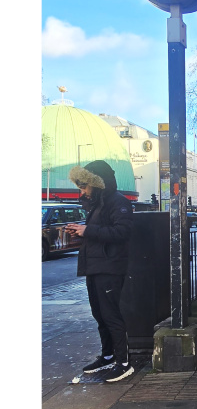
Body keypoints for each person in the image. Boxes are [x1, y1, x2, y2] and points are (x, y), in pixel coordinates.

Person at [66, 160, 134, 382]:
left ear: (97, 183)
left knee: (111, 315)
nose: (82, 191)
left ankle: (123, 362)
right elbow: (100, 232)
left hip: (110, 267)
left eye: (85, 187)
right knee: (99, 314)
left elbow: (122, 232)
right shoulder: (98, 204)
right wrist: (82, 232)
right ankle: (107, 356)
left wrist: (88, 230)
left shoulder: (118, 202)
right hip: (95, 266)